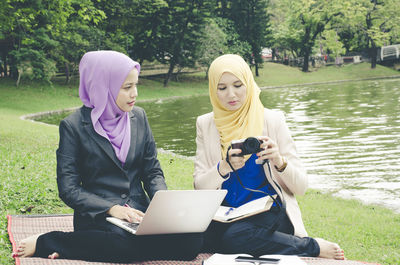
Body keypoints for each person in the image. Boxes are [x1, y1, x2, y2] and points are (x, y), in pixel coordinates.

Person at [13, 50, 203, 262]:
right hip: (99, 217)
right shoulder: (73, 126)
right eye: (127, 87)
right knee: (122, 247)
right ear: (103, 86)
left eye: (136, 85)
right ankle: (50, 241)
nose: (135, 94)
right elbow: (69, 189)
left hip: (140, 214)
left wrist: (162, 203)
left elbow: (152, 171)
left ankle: (83, 246)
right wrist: (112, 209)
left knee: (192, 243)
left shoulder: (139, 117)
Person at [193, 54, 345, 260]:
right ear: (213, 89)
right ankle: (259, 242)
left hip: (267, 212)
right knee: (191, 238)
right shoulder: (205, 124)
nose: (232, 94)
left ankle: (312, 247)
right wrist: (224, 167)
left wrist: (279, 161)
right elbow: (200, 186)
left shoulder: (272, 120)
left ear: (248, 82)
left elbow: (301, 187)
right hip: (225, 215)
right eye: (222, 88)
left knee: (235, 238)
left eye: (238, 85)